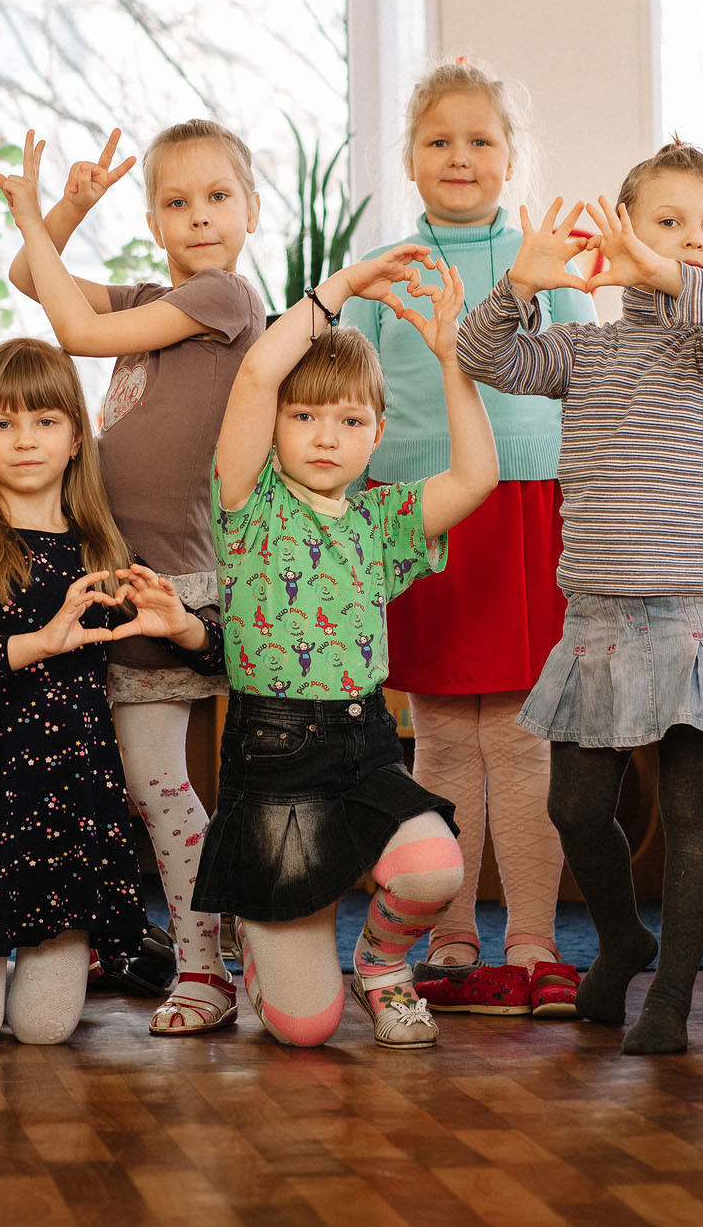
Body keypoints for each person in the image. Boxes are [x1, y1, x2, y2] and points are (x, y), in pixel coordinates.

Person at [456, 145, 703, 1053]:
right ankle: (622, 940)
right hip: (598, 617)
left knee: (691, 816)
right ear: (621, 231)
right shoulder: (587, 346)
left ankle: (670, 994)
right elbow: (484, 353)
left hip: (697, 616)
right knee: (575, 807)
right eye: (670, 223)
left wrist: (671, 271)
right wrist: (519, 285)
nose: (694, 241)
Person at [341, 60, 594, 1016]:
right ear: (410, 160)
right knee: (443, 734)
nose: (460, 155)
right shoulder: (385, 270)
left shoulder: (546, 259)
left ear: (511, 158)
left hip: (528, 504)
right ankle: (448, 938)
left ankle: (531, 937)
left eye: (480, 139)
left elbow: (584, 380)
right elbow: (352, 395)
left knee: (526, 736)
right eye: (439, 140)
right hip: (420, 515)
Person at [1, 121, 264, 1034]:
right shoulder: (157, 296)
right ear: (152, 220)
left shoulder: (225, 298)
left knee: (160, 786)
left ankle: (207, 964)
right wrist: (67, 211)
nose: (198, 215)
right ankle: (167, 946)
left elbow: (71, 329)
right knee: (136, 784)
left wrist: (33, 212)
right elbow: (30, 281)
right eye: (176, 201)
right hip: (104, 579)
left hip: (169, 589)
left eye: (218, 197)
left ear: (253, 210)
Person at [196, 245, 492, 1050]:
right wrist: (347, 286)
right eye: (305, 416)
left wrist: (451, 360)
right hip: (274, 761)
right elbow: (258, 373)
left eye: (350, 420)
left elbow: (477, 476)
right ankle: (262, 946)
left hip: (363, 748)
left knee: (435, 864)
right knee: (304, 1030)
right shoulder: (247, 503)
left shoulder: (380, 521)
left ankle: (383, 965)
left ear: (378, 432)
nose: (327, 436)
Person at [0, 338, 225, 1046]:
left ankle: (45, 971)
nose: (25, 440)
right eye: (3, 423)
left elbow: (213, 661)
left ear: (78, 436)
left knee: (46, 1029)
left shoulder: (102, 553)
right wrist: (37, 644)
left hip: (72, 821)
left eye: (45, 421)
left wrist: (186, 627)